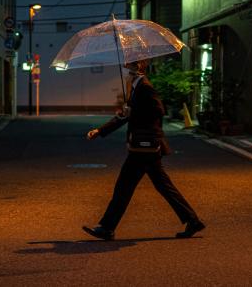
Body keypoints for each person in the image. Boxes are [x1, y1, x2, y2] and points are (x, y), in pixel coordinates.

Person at [83, 59, 205, 240]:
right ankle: (192, 220)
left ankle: (107, 227)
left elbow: (158, 110)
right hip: (143, 148)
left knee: (124, 187)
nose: (125, 70)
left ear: (137, 67)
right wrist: (100, 131)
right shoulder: (136, 87)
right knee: (160, 186)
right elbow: (126, 116)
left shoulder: (145, 87)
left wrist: (134, 112)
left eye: (127, 66)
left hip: (145, 147)